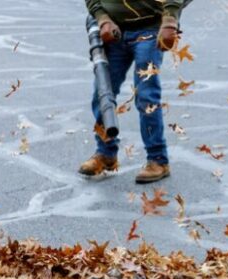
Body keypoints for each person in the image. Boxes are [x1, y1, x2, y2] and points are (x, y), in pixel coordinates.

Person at [80, 0, 188, 184]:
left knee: (146, 95)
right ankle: (106, 153)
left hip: (150, 30)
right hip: (113, 31)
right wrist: (102, 18)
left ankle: (158, 159)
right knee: (102, 93)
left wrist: (170, 20)